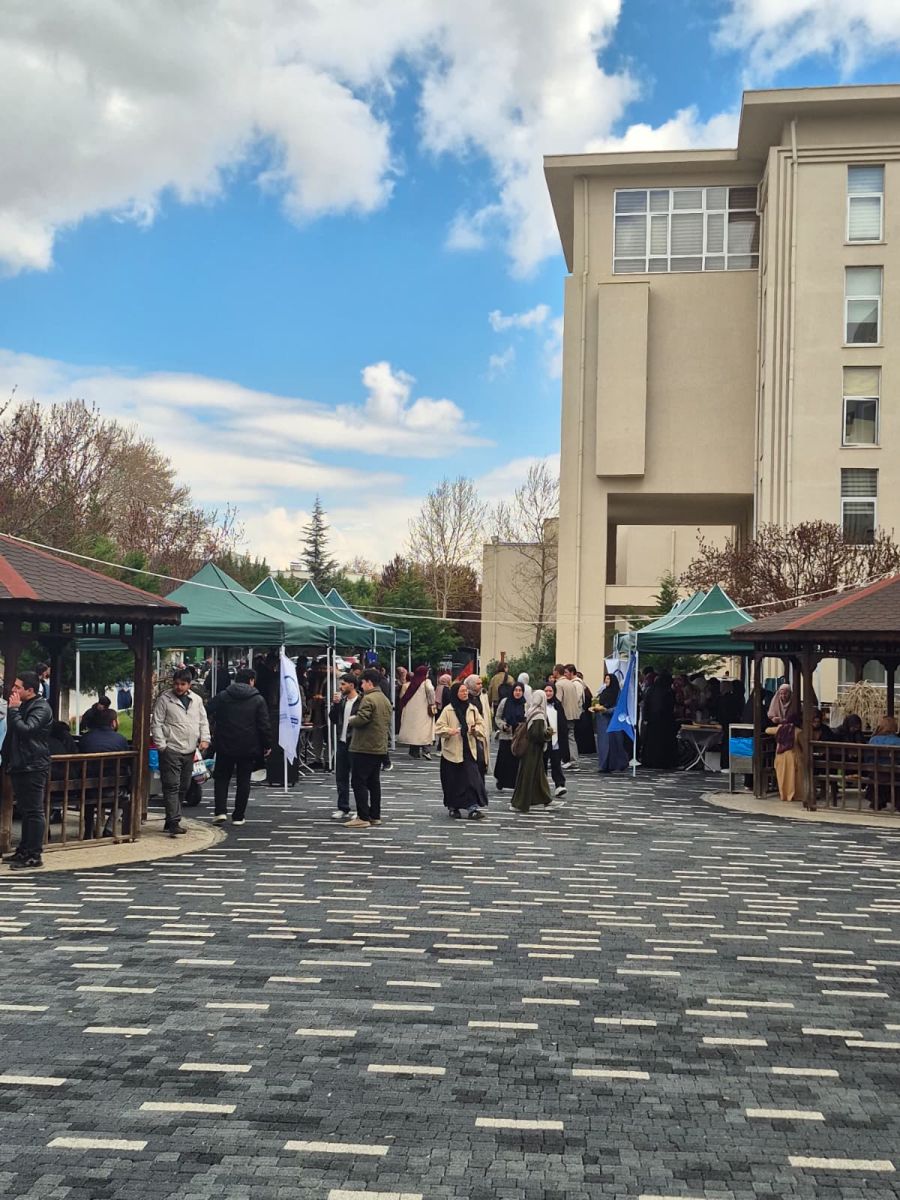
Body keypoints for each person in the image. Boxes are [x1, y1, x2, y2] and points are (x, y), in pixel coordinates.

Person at [206, 667, 272, 826]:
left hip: (224, 743)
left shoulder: (223, 696)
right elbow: (264, 725)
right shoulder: (258, 699)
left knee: (221, 778)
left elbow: (206, 709)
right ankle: (238, 815)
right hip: (248, 746)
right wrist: (267, 744)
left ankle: (220, 811)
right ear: (252, 681)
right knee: (244, 780)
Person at [150, 668, 210, 837]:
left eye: (182, 684)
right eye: (176, 684)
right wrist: (162, 746)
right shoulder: (165, 700)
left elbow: (203, 721)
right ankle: (174, 821)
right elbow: (157, 723)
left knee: (184, 785)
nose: (179, 687)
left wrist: (205, 738)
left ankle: (170, 818)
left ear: (189, 685)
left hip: (190, 749)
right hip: (171, 748)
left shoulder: (196, 700)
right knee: (171, 785)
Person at [2, 672, 53, 869]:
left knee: (34, 811)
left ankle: (34, 854)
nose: (13, 690)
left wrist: (14, 710)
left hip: (33, 765)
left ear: (30, 690)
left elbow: (26, 729)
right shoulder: (24, 705)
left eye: (17, 687)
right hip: (20, 763)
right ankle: (23, 850)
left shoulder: (41, 707)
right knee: (24, 810)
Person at [434, 681, 489, 819]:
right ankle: (453, 807)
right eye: (461, 691)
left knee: (472, 779)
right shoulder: (448, 710)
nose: (465, 694)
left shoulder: (472, 709)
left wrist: (475, 730)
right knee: (453, 781)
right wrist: (450, 731)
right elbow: (439, 728)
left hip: (469, 749)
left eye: (466, 691)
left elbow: (482, 725)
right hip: (452, 752)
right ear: (455, 694)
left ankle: (472, 808)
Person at [345, 669, 392, 828]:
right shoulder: (384, 699)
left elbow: (363, 719)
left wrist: (352, 719)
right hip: (379, 746)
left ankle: (363, 816)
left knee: (359, 782)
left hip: (363, 746)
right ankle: (375, 815)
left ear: (369, 683)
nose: (362, 685)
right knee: (374, 782)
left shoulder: (368, 699)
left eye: (363, 682)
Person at [510, 689, 553, 813]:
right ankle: (520, 803)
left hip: (530, 749)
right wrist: (548, 733)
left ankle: (547, 800)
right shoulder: (539, 714)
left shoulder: (531, 711)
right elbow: (536, 734)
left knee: (536, 775)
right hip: (533, 750)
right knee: (528, 776)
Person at [329, 674, 360, 821]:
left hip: (355, 743)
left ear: (352, 685)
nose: (340, 687)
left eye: (343, 684)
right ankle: (343, 807)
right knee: (341, 777)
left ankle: (360, 808)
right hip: (341, 742)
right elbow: (333, 719)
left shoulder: (361, 702)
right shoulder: (342, 702)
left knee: (358, 778)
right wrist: (335, 704)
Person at [640, 671, 679, 769]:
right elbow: (671, 706)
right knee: (664, 742)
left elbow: (646, 705)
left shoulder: (650, 690)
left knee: (651, 742)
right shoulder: (669, 692)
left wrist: (645, 718)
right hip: (666, 721)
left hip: (652, 720)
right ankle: (664, 761)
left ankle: (649, 760)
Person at [397, 664, 436, 759]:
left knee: (414, 732)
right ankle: (426, 751)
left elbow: (403, 697)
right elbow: (431, 690)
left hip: (411, 712)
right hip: (424, 710)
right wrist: (432, 702)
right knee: (425, 731)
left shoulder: (411, 683)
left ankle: (414, 752)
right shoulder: (426, 682)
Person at [593, 674, 630, 773]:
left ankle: (617, 764)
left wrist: (607, 710)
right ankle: (604, 765)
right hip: (602, 720)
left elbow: (619, 707)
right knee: (603, 744)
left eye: (608, 678)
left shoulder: (618, 693)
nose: (606, 680)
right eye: (605, 678)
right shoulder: (604, 691)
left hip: (612, 720)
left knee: (614, 743)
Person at [493, 681, 526, 792]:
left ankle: (515, 782)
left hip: (519, 737)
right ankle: (501, 780)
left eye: (520, 691)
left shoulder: (525, 704)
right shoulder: (505, 702)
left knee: (516, 761)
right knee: (503, 760)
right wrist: (503, 726)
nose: (517, 693)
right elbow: (497, 717)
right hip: (506, 735)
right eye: (516, 690)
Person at [774, 711, 808, 805]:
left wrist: (779, 726)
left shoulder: (780, 729)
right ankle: (795, 795)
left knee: (783, 777)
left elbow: (767, 730)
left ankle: (784, 795)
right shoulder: (798, 732)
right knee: (794, 778)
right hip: (793, 756)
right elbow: (804, 746)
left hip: (780, 756)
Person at [867, 716, 900, 811]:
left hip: (876, 774)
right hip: (895, 774)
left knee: (879, 774)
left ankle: (877, 801)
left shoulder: (873, 740)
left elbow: (868, 759)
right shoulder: (898, 742)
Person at [556, 664, 585, 769]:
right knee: (571, 737)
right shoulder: (571, 684)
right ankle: (573, 759)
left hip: (564, 714)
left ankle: (569, 759)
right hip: (573, 714)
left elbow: (558, 700)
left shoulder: (560, 684)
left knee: (566, 737)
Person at [543, 682, 567, 797]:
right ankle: (542, 786)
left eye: (550, 691)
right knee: (542, 764)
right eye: (546, 691)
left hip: (556, 740)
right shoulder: (540, 705)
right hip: (543, 741)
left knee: (556, 763)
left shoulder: (558, 705)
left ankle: (559, 785)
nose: (548, 693)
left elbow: (562, 723)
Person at [465, 675, 492, 773]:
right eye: (478, 683)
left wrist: (488, 729)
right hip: (469, 730)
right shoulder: (465, 695)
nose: (481, 686)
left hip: (481, 729)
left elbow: (487, 712)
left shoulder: (483, 695)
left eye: (481, 683)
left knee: (481, 756)